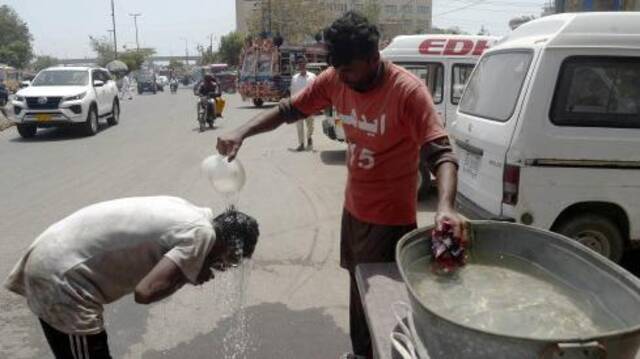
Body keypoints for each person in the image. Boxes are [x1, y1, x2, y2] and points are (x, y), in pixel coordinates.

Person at [216, 12, 465, 359]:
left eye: (349, 70)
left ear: (373, 58)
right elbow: (290, 110)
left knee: (385, 306)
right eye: (338, 70)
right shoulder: (335, 79)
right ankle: (360, 354)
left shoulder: (407, 91)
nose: (343, 79)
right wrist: (242, 132)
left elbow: (442, 154)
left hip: (391, 222)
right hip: (354, 212)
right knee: (357, 290)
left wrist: (446, 207)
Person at [4, 196, 259, 359]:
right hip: (63, 278)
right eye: (227, 261)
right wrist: (189, 275)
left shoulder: (193, 213)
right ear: (228, 244)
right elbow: (145, 292)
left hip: (52, 255)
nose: (221, 268)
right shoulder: (202, 235)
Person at [290, 56, 317, 151]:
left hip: (310, 105)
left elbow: (316, 91)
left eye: (303, 63)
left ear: (306, 65)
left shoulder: (313, 77)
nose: (301, 65)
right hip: (298, 106)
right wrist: (292, 105)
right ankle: (301, 144)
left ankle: (309, 138)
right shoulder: (294, 78)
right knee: (299, 126)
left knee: (310, 125)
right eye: (300, 64)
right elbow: (292, 92)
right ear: (298, 66)